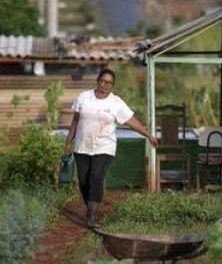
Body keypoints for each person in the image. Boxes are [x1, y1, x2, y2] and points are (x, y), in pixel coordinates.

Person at [64, 68, 157, 228]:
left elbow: (131, 120)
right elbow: (75, 121)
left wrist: (147, 135)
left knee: (96, 176)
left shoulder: (116, 102)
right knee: (83, 179)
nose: (106, 85)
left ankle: (92, 215)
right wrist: (68, 142)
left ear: (113, 85)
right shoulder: (83, 97)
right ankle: (90, 206)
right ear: (98, 80)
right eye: (103, 81)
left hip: (104, 145)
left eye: (109, 83)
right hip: (82, 145)